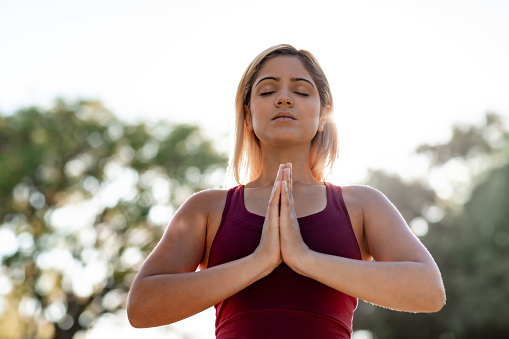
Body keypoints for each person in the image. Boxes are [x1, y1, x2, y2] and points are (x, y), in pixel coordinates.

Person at [127, 44, 446, 338]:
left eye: (301, 91)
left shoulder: (362, 205)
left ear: (323, 116)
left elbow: (428, 292)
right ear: (248, 116)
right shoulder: (206, 209)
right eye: (267, 90)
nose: (284, 98)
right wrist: (259, 261)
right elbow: (141, 307)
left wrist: (304, 258)